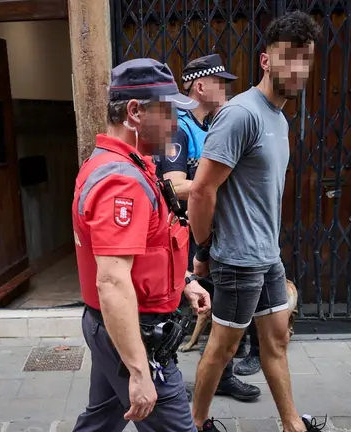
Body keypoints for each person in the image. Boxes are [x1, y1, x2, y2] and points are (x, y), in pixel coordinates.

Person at [187, 12, 325, 432]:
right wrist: (205, 251)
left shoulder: (278, 119)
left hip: (267, 257)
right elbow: (202, 190)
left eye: (305, 59)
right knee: (222, 349)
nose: (297, 68)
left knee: (277, 340)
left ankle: (291, 424)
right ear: (266, 60)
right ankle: (196, 424)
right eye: (289, 57)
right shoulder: (240, 114)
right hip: (237, 260)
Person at [71, 57, 211, 432]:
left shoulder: (118, 164)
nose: (175, 123)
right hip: (137, 330)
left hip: (112, 325)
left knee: (100, 421)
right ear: (134, 112)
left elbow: (148, 248)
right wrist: (138, 372)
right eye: (167, 112)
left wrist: (184, 282)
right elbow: (113, 281)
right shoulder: (122, 182)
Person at [155, 53, 260, 402]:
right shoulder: (178, 127)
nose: (227, 90)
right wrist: (216, 184)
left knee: (220, 308)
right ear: (200, 87)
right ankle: (167, 384)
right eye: (221, 83)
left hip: (210, 235)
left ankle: (221, 377)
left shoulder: (213, 125)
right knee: (176, 309)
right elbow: (172, 185)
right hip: (182, 235)